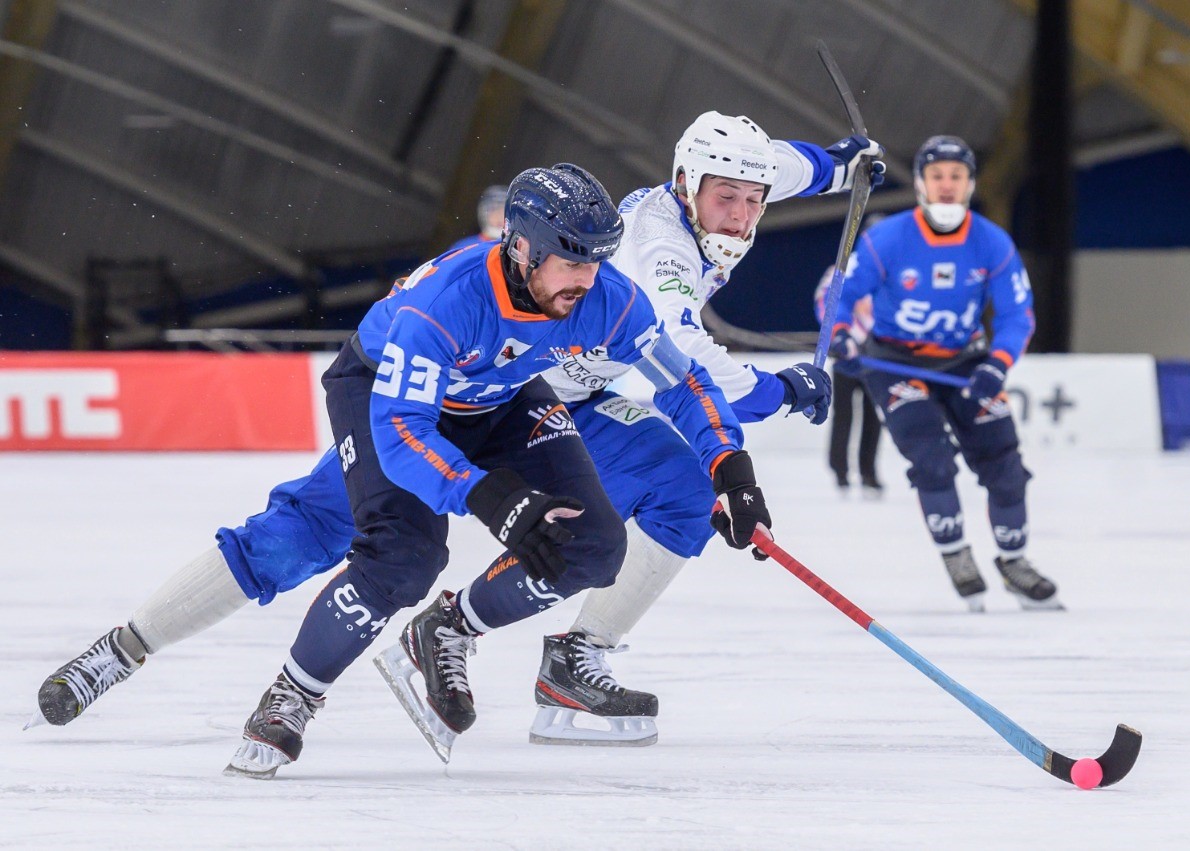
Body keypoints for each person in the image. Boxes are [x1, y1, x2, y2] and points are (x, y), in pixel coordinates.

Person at [34, 114, 883, 758]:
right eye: (573, 264)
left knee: (612, 529)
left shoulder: (601, 286)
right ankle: (127, 646)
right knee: (326, 536)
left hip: (511, 394)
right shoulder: (475, 300)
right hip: (408, 398)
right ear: (521, 250)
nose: (589, 283)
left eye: (751, 199)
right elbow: (405, 430)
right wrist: (491, 495)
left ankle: (528, 649)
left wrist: (728, 460)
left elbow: (684, 374)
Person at [828, 135, 1061, 613]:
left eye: (957, 176)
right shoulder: (887, 238)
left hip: (966, 361)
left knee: (1005, 465)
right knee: (931, 459)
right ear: (920, 184)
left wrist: (998, 365)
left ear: (971, 184)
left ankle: (1014, 563)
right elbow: (841, 297)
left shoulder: (992, 242)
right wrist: (842, 336)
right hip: (896, 364)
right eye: (938, 176)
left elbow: (1018, 314)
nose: (948, 185)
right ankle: (956, 554)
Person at [814, 266, 882, 497]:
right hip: (845, 350)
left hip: (876, 352)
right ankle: (840, 471)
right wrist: (836, 335)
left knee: (873, 415)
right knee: (843, 413)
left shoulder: (885, 266)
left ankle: (869, 473)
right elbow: (823, 300)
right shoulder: (841, 268)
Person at [445, 184, 507, 253]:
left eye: (504, 213)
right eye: (495, 211)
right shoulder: (464, 247)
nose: (500, 217)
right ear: (484, 213)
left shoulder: (516, 250)